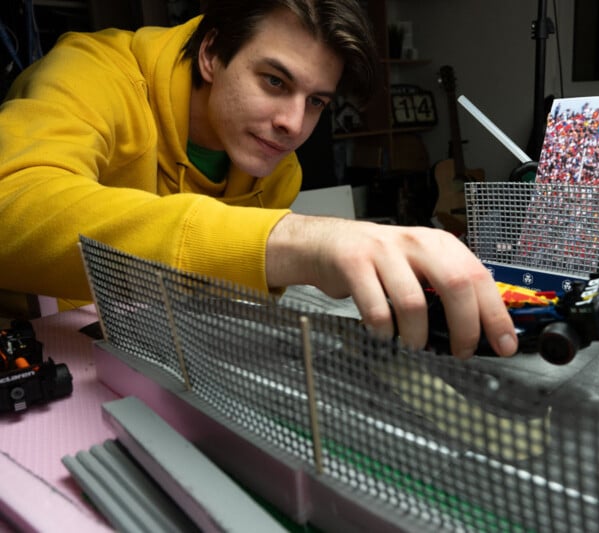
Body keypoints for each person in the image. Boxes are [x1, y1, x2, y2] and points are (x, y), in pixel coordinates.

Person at [0, 0, 517, 359]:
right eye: (274, 81)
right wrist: (291, 238)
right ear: (210, 54)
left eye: (316, 101)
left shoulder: (274, 164)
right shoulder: (92, 72)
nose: (294, 124)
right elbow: (13, 203)